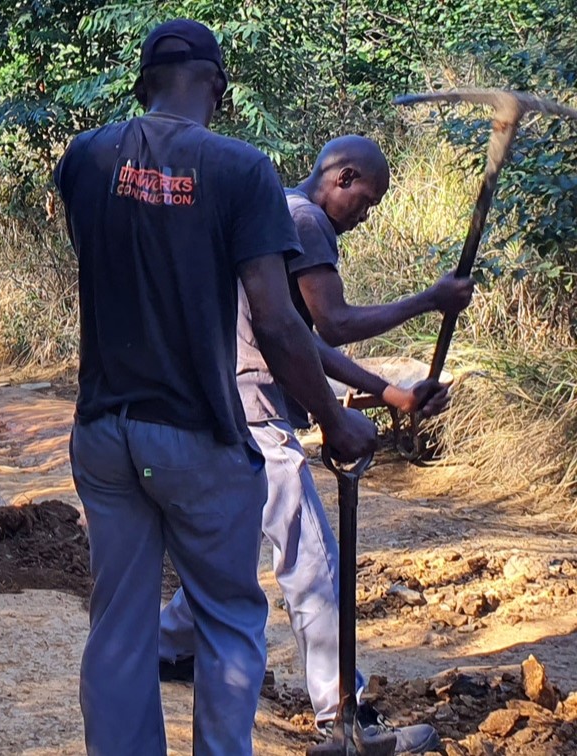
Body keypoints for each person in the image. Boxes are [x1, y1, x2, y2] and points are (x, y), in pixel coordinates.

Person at [54, 19, 379, 756]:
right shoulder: (241, 171)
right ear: (218, 88)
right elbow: (276, 320)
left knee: (119, 627)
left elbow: (108, 263)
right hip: (197, 432)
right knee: (230, 616)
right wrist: (336, 419)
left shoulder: (84, 158)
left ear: (143, 83)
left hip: (105, 431)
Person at [156, 135, 475, 754]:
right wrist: (429, 301)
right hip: (257, 415)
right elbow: (336, 322)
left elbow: (309, 343)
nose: (366, 214)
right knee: (312, 561)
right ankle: (342, 715)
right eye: (367, 199)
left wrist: (389, 393)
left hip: (226, 407)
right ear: (341, 176)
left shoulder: (274, 210)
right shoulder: (303, 219)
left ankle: (167, 650)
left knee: (230, 550)